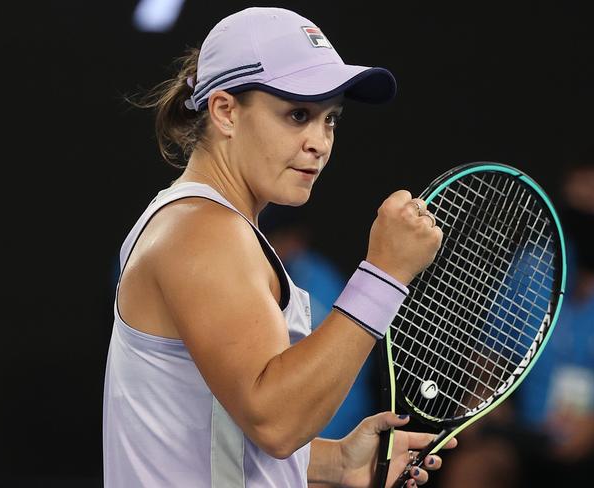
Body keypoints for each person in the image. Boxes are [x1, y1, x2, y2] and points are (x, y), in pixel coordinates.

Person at [102, 7, 454, 487]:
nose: (319, 143)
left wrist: (337, 463)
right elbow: (276, 422)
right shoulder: (202, 232)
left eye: (330, 120)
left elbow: (212, 429)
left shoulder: (200, 223)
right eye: (297, 114)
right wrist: (385, 274)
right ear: (225, 111)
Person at [437, 139, 594, 488]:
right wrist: (484, 406)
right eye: (577, 200)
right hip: (527, 440)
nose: (584, 212)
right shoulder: (535, 267)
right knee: (474, 467)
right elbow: (490, 358)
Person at [259, 204, 379, 441]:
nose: (276, 248)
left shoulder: (321, 284)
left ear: (298, 239)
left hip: (333, 423)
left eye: (281, 238)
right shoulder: (250, 274)